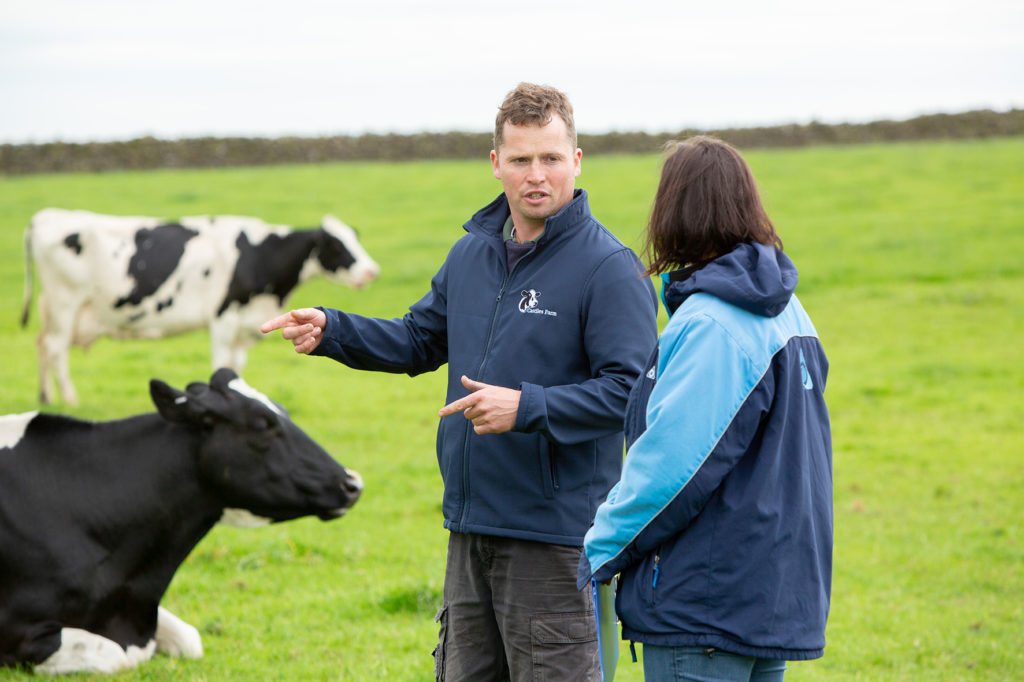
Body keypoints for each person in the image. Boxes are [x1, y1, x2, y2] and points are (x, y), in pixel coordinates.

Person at [261, 82, 658, 681]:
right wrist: (333, 329)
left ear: (576, 161)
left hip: (555, 539)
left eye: (551, 158)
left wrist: (527, 407)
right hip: (470, 527)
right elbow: (418, 340)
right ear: (496, 163)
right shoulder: (470, 255)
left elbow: (629, 392)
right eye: (521, 159)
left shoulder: (608, 268)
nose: (537, 175)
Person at [577, 136, 833, 682]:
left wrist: (601, 545)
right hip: (772, 594)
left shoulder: (711, 323)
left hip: (705, 605)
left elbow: (675, 466)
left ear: (675, 212)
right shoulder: (789, 311)